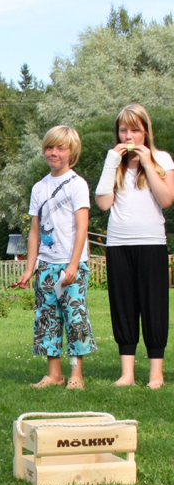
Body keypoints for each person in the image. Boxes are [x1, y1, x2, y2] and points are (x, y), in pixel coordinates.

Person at [95, 104, 174, 388]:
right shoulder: (114, 165)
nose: (129, 136)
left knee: (154, 307)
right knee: (123, 307)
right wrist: (109, 163)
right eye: (123, 130)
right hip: (118, 245)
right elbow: (103, 203)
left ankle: (156, 373)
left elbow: (166, 199)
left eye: (135, 130)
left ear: (145, 132)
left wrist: (148, 162)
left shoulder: (162, 159)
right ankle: (127, 374)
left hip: (152, 244)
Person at [17, 125, 96, 389]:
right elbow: (34, 231)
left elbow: (82, 227)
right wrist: (30, 268)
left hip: (71, 265)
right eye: (50, 147)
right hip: (45, 266)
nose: (54, 152)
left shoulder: (77, 185)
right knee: (47, 319)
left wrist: (74, 264)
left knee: (75, 319)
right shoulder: (39, 187)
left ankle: (76, 374)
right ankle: (54, 374)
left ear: (71, 152)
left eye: (60, 148)